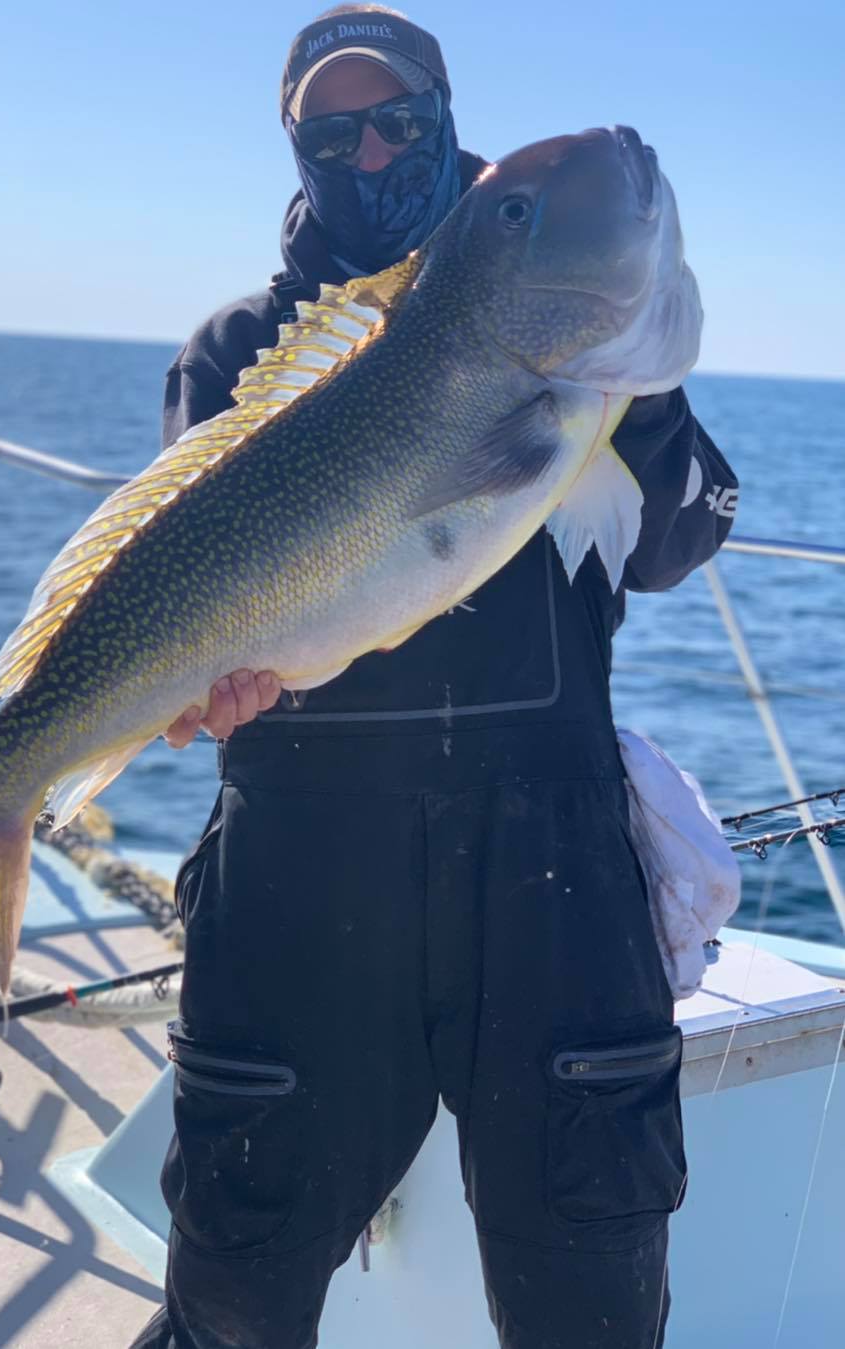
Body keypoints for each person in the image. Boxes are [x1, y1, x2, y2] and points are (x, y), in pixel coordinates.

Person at [134, 8, 738, 1348]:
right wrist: (194, 684)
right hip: (301, 863)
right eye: (330, 132)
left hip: (553, 870)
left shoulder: (589, 372)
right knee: (235, 1281)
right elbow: (188, 584)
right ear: (294, 149)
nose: (368, 150)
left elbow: (676, 543)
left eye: (396, 118)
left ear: (446, 117)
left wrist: (624, 387)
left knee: (591, 1282)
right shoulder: (241, 349)